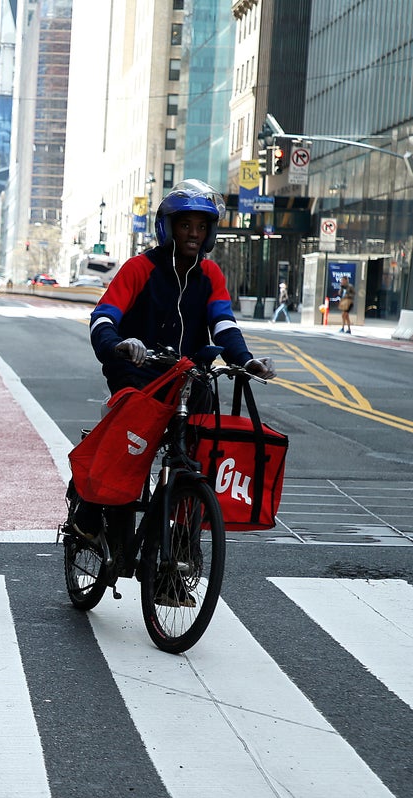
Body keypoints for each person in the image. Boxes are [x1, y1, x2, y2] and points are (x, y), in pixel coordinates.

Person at [69, 180, 275, 587]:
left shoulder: (211, 274)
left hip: (190, 375)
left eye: (202, 226)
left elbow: (223, 323)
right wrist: (119, 344)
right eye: (185, 225)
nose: (194, 233)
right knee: (130, 450)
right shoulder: (139, 269)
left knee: (193, 463)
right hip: (140, 373)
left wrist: (245, 360)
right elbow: (104, 317)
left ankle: (176, 561)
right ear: (168, 228)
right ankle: (89, 516)